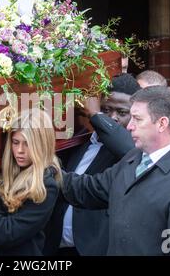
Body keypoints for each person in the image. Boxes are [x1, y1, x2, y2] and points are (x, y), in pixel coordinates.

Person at [61, 86, 170, 255]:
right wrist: (45, 169)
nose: (129, 126)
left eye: (137, 119)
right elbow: (89, 190)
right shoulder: (133, 159)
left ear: (162, 123)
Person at [43, 74, 140, 256]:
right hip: (57, 248)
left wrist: (97, 115)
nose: (112, 117)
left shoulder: (134, 150)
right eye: (106, 109)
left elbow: (128, 148)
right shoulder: (81, 142)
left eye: (121, 112)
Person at [0, 108, 62, 256]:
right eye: (15, 142)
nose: (20, 150)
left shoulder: (46, 184)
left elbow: (6, 234)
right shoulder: (1, 171)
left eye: (27, 144)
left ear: (42, 145)